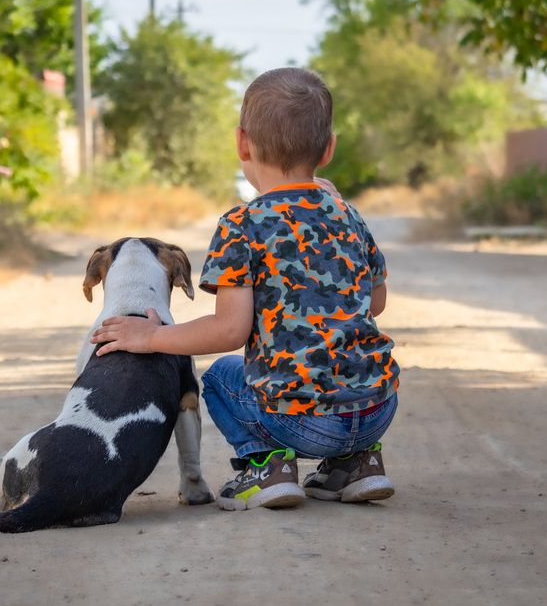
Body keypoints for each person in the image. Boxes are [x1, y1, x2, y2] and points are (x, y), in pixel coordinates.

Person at [90, 67, 399, 511]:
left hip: (298, 423)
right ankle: (357, 464)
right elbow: (378, 300)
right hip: (375, 411)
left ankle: (268, 467)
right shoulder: (347, 213)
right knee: (341, 376)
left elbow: (229, 331)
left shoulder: (242, 224)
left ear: (241, 143)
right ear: (328, 149)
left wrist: (151, 337)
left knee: (219, 378)